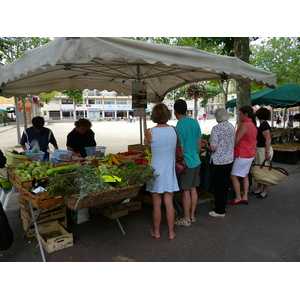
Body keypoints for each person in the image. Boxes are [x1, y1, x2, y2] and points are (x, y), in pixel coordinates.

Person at [144, 103, 178, 241]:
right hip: (169, 169)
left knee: (157, 203)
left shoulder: (149, 131)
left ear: (154, 116)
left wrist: (147, 145)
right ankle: (171, 233)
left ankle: (157, 231)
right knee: (169, 203)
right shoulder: (174, 130)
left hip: (156, 169)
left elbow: (152, 151)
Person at [173, 99, 202, 227]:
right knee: (194, 189)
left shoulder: (179, 126)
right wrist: (197, 153)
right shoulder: (194, 122)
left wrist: (178, 158)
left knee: (186, 191)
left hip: (187, 162)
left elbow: (181, 148)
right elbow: (199, 142)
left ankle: (185, 218)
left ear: (175, 111)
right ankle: (192, 216)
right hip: (196, 160)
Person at [205, 108, 235, 217]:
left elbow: (213, 148)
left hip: (218, 161)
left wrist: (207, 146)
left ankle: (219, 210)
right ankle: (222, 205)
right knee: (224, 184)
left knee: (218, 185)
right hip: (229, 159)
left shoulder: (216, 128)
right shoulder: (231, 126)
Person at [228, 105, 257, 205]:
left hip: (243, 154)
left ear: (246, 114)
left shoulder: (245, 125)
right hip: (250, 154)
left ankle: (238, 197)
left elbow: (236, 140)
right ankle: (245, 196)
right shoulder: (252, 125)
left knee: (233, 176)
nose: (239, 116)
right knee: (244, 175)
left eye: (240, 114)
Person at [251, 107, 273, 199]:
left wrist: (267, 152)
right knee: (260, 170)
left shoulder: (264, 126)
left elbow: (267, 139)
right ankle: (259, 188)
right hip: (261, 149)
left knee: (264, 171)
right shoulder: (263, 124)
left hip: (264, 150)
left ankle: (264, 191)